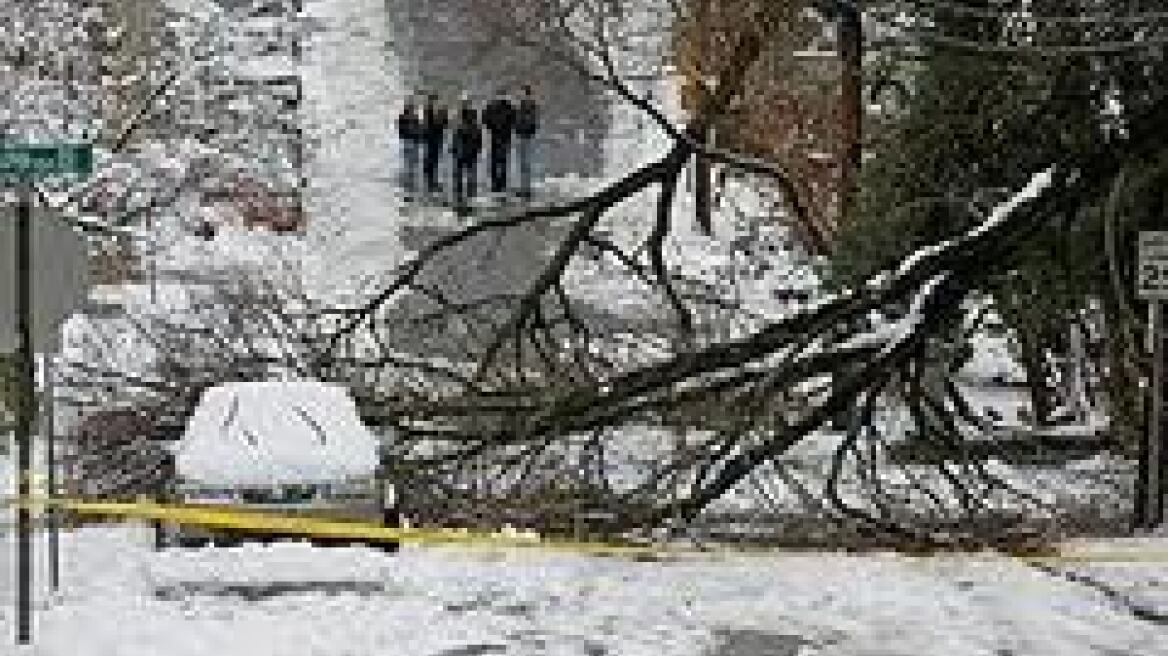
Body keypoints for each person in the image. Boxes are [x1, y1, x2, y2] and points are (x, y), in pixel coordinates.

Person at [481, 88, 516, 194]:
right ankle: (499, 184)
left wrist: (492, 127)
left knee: (497, 161)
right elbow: (513, 121)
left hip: (497, 136)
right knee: (500, 161)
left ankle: (497, 184)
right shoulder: (509, 107)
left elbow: (485, 119)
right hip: (500, 136)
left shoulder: (494, 106)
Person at [450, 96, 482, 211]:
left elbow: (475, 135)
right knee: (465, 174)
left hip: (465, 151)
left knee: (464, 174)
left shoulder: (463, 121)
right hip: (466, 151)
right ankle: (466, 193)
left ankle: (464, 193)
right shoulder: (468, 121)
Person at [514, 85, 540, 199]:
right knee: (524, 163)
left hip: (525, 135)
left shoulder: (527, 105)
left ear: (526, 93)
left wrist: (519, 128)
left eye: (521, 93)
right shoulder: (527, 105)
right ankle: (524, 187)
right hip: (524, 135)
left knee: (525, 163)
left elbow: (527, 120)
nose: (519, 95)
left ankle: (526, 189)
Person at [422, 94, 449, 193]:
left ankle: (431, 180)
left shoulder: (433, 113)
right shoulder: (429, 112)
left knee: (433, 160)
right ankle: (430, 182)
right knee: (432, 160)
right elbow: (437, 124)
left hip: (436, 140)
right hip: (433, 140)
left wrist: (444, 114)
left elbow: (444, 125)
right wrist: (443, 114)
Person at [397, 97, 422, 196]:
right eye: (411, 107)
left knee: (412, 163)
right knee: (409, 163)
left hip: (412, 142)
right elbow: (401, 130)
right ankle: (408, 180)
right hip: (408, 141)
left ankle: (410, 180)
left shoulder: (413, 117)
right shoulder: (404, 117)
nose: (412, 109)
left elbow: (418, 129)